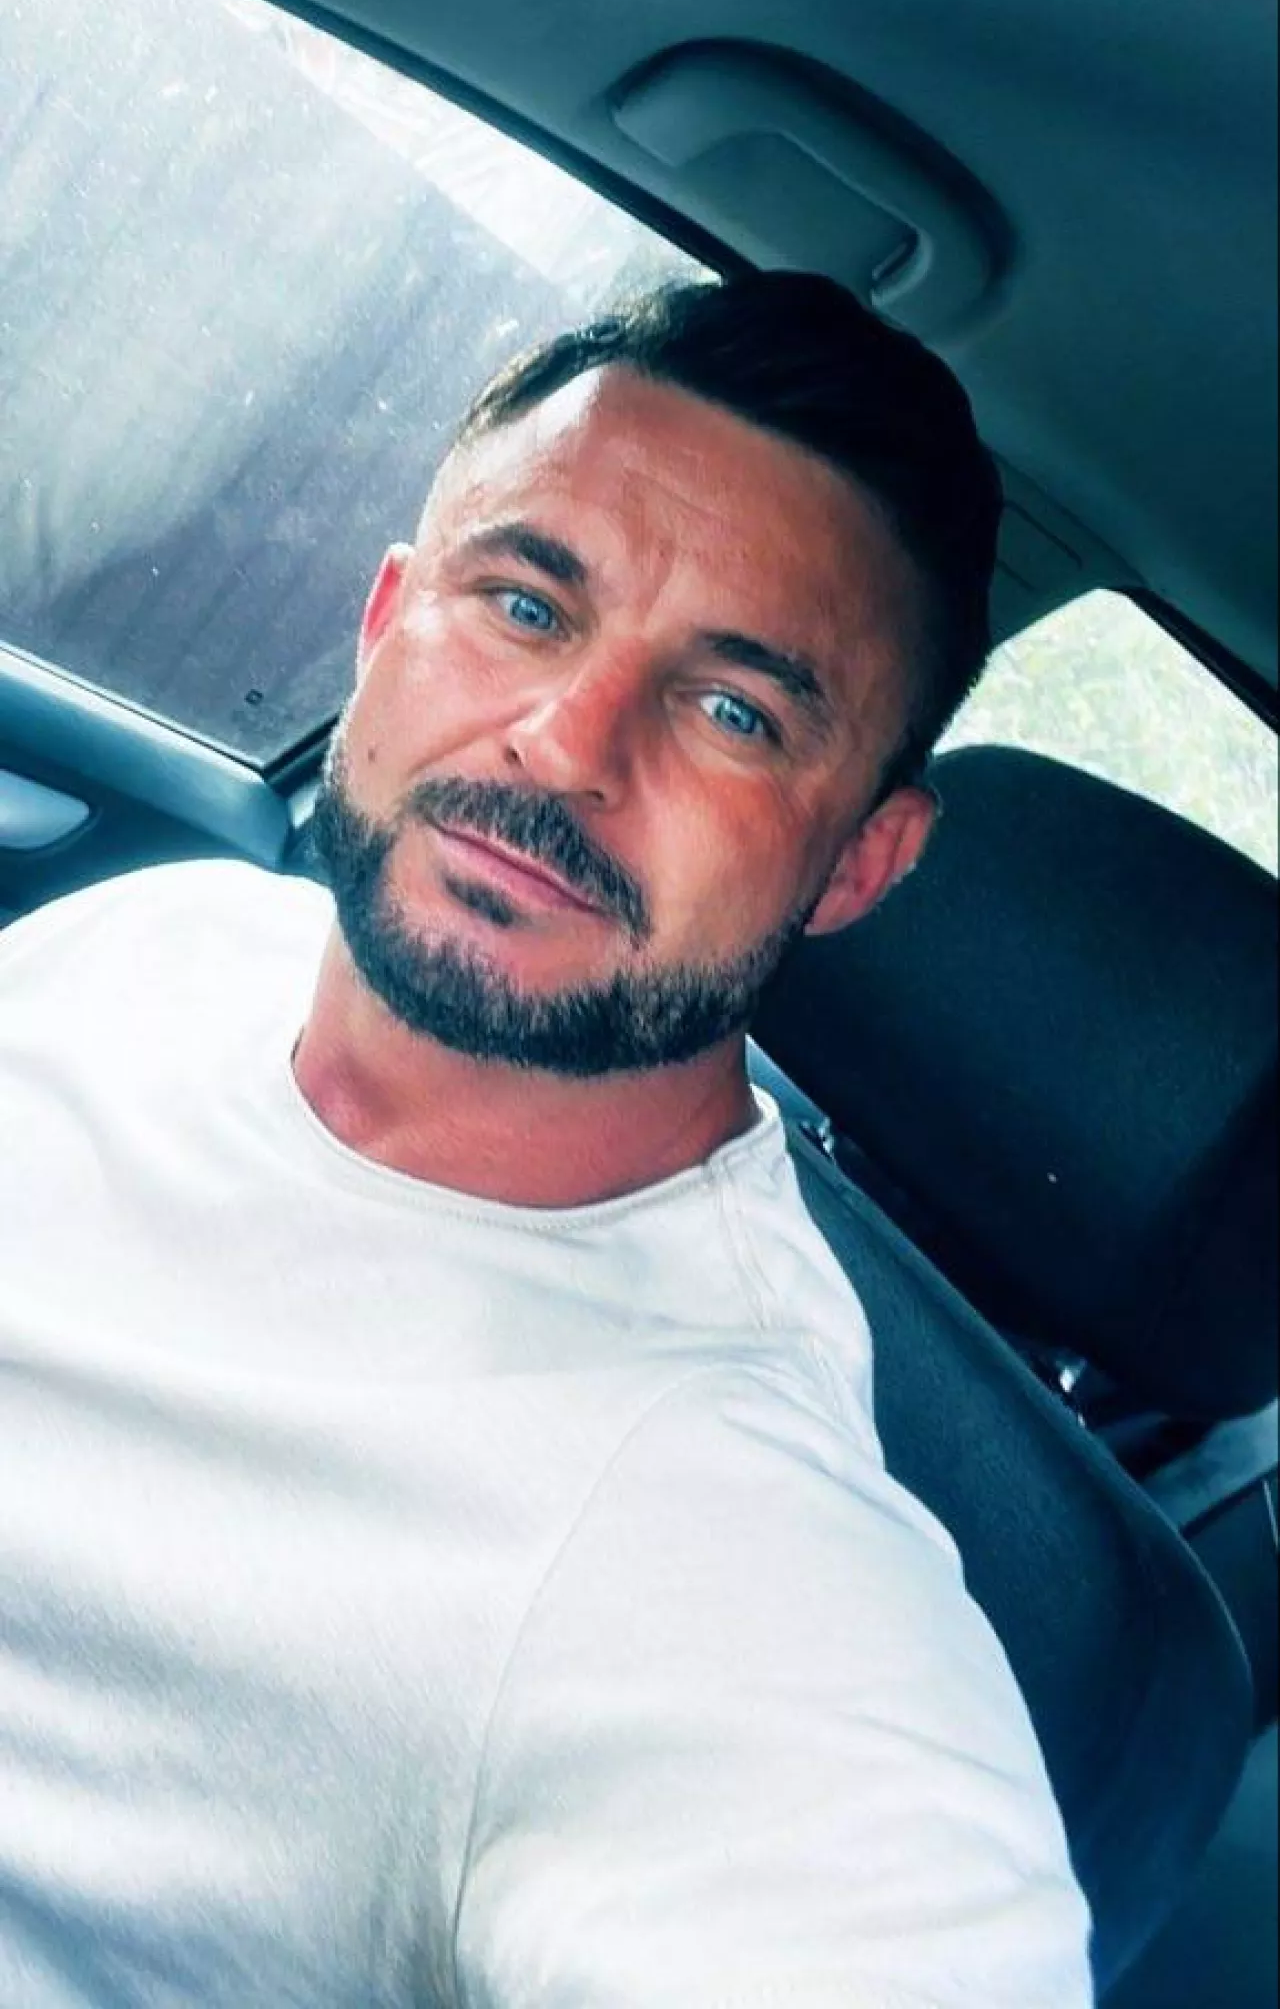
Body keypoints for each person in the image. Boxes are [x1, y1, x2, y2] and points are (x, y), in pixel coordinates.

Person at [0, 273, 1093, 2007]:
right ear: (386, 620)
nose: (568, 742)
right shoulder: (160, 939)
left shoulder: (729, 1569)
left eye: (736, 712)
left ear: (861, 863)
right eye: (523, 605)